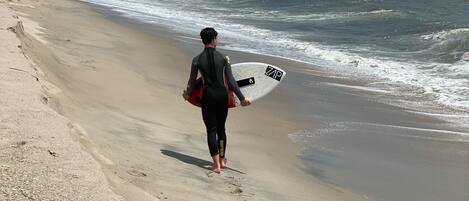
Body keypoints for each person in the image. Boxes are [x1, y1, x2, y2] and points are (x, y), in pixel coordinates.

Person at [183, 27, 251, 173]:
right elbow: (231, 81)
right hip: (222, 96)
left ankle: (216, 165)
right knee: (221, 129)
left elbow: (192, 81)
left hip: (208, 96)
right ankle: (222, 159)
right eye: (217, 38)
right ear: (214, 39)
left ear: (203, 40)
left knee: (211, 130)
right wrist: (242, 98)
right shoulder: (224, 57)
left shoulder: (197, 60)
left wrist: (187, 94)